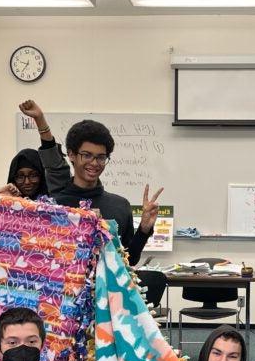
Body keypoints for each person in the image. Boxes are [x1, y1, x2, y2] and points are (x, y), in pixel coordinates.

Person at [18, 101, 161, 266]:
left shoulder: (120, 206)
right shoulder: (53, 205)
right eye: (86, 155)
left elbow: (129, 261)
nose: (94, 163)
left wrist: (143, 230)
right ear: (71, 154)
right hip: (64, 289)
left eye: (101, 157)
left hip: (107, 292)